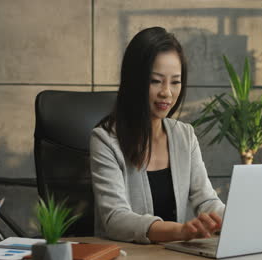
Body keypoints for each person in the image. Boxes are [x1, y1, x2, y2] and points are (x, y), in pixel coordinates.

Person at [90, 27, 225, 244]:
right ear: (135, 81)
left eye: (175, 81)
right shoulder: (105, 140)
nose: (167, 92)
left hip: (173, 257)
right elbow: (115, 218)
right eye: (156, 81)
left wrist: (232, 219)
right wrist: (180, 231)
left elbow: (206, 200)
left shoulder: (185, 136)